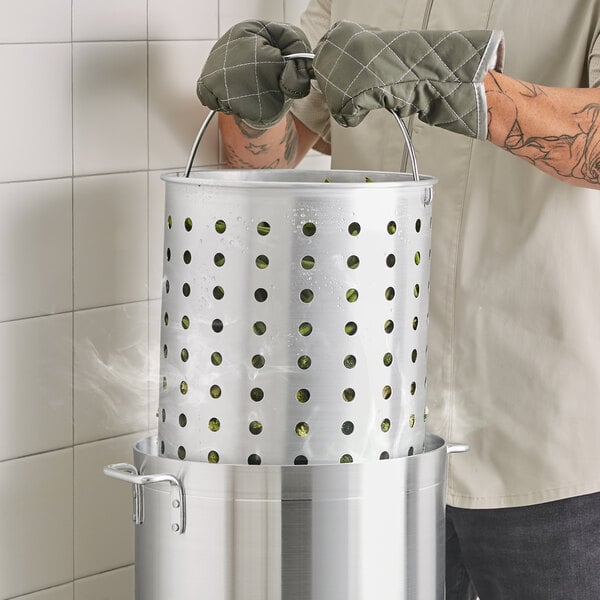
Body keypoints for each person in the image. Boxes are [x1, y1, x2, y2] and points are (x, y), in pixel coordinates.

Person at [197, 3, 600, 599]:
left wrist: (465, 91)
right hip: (365, 427)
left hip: (544, 434)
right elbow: (273, 155)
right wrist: (251, 109)